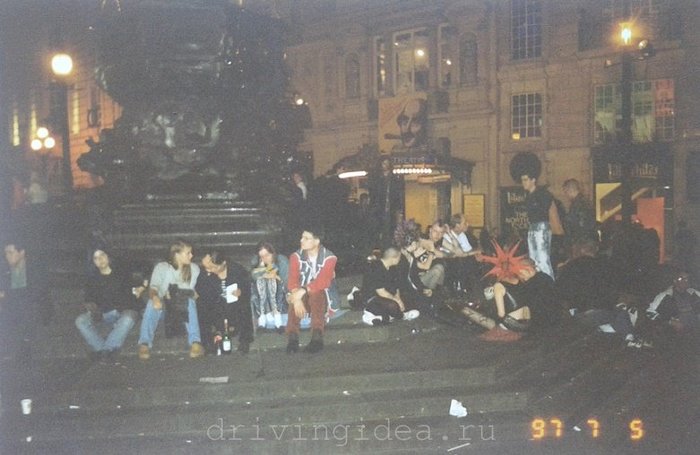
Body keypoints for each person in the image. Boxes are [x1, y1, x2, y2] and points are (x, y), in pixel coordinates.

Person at [137, 241, 204, 360]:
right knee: (151, 303)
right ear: (177, 254)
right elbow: (153, 288)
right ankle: (144, 343)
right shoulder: (162, 267)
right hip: (165, 306)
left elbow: (190, 292)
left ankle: (195, 342)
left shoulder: (194, 269)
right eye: (188, 253)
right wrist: (155, 297)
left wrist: (181, 294)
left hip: (182, 307)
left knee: (189, 301)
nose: (191, 256)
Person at [75, 249, 139, 362]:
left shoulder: (122, 274)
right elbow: (88, 299)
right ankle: (104, 350)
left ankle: (103, 352)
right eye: (96, 258)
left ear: (108, 256)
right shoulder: (92, 279)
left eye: (102, 255)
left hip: (120, 313)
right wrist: (92, 308)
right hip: (102, 314)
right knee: (80, 320)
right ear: (93, 262)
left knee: (129, 317)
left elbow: (132, 296)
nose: (100, 259)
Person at [285, 227, 338, 354]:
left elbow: (323, 282)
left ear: (317, 241)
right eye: (302, 237)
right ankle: (292, 338)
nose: (301, 240)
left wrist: (302, 291)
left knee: (316, 293)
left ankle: (317, 337)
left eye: (306, 238)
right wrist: (297, 298)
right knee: (295, 296)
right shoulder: (295, 256)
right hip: (301, 295)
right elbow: (292, 280)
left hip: (323, 297)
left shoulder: (330, 257)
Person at [196, 250, 253, 354]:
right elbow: (200, 290)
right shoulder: (208, 272)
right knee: (201, 304)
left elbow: (247, 288)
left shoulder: (237, 270)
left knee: (244, 305)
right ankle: (208, 341)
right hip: (216, 308)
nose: (213, 270)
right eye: (211, 267)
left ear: (223, 263)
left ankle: (245, 340)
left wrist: (241, 292)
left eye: (215, 267)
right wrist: (207, 271)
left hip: (234, 308)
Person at [0, 239, 48, 361]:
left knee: (24, 307)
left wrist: (8, 297)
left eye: (11, 252)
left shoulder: (34, 270)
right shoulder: (5, 271)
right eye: (5, 253)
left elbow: (38, 293)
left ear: (21, 253)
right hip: (12, 306)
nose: (7, 256)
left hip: (32, 305)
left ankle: (23, 347)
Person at [361, 247, 419, 325]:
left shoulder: (392, 268)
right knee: (392, 306)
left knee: (409, 298)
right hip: (373, 297)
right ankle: (401, 316)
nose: (400, 260)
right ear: (393, 258)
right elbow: (381, 291)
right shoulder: (375, 267)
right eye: (399, 257)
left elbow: (396, 286)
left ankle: (385, 317)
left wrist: (398, 298)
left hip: (386, 296)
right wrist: (397, 301)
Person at [520, 170, 560, 280]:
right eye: (522, 180)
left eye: (525, 180)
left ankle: (550, 284)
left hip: (542, 227)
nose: (523, 182)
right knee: (533, 259)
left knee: (543, 258)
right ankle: (537, 283)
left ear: (533, 180)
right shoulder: (528, 196)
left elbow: (552, 211)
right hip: (532, 228)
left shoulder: (543, 194)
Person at [646, 270, 700, 335]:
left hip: (694, 331)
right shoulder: (666, 295)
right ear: (675, 281)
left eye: (686, 279)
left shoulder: (694, 294)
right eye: (680, 278)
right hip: (674, 334)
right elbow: (649, 312)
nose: (684, 281)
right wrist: (671, 322)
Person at [250, 241, 288, 330]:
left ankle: (276, 315)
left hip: (279, 296)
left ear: (273, 253)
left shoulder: (282, 261)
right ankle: (263, 315)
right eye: (262, 256)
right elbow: (253, 275)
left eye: (267, 255)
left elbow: (286, 281)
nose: (265, 258)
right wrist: (262, 270)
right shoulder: (257, 261)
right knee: (260, 280)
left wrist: (275, 276)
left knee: (271, 280)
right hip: (263, 298)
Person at [368, 157, 404, 248]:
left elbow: (398, 196)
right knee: (379, 231)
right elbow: (374, 195)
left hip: (390, 210)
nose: (385, 165)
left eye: (387, 163)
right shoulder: (377, 179)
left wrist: (399, 210)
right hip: (379, 210)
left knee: (390, 231)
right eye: (384, 163)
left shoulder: (394, 179)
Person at [561, 179, 597, 249]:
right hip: (588, 241)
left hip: (581, 244)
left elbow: (578, 225)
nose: (565, 195)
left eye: (565, 192)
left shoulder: (577, 205)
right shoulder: (585, 202)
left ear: (570, 190)